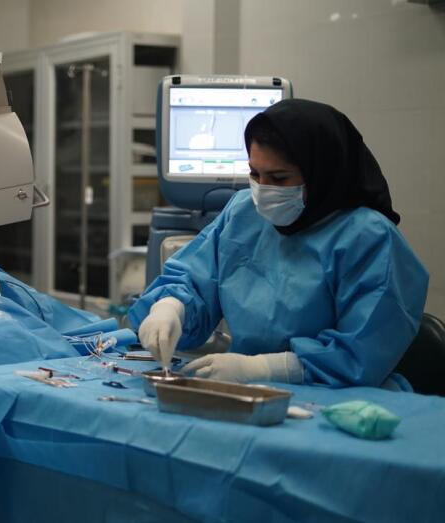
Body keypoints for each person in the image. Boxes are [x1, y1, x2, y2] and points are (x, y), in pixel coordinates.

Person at [131, 98, 428, 389]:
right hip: (242, 388)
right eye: (254, 173)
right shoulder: (243, 212)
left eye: (279, 178)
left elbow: (362, 353)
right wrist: (170, 308)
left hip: (342, 395)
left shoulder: (369, 238)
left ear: (320, 174)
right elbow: (195, 278)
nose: (263, 190)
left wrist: (265, 368)